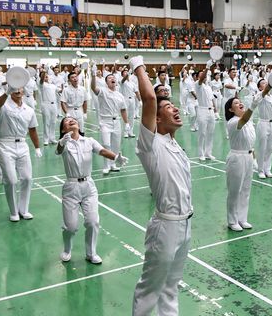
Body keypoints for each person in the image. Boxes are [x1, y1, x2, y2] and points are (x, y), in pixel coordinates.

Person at [129, 56, 193, 316]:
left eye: (175, 106)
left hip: (185, 223)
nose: (175, 109)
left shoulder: (175, 145)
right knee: (150, 290)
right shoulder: (150, 145)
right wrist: (138, 64)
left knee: (170, 287)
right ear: (156, 119)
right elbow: (150, 100)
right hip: (165, 226)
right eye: (169, 108)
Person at [56, 117, 127, 264]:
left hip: (88, 186)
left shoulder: (89, 141)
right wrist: (62, 142)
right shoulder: (64, 144)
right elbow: (58, 150)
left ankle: (91, 253)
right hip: (71, 187)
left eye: (73, 119)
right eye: (67, 121)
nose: (71, 121)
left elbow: (102, 151)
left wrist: (116, 158)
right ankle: (67, 249)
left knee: (93, 222)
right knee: (71, 227)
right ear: (63, 129)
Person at [224, 82, 270, 231]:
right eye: (236, 103)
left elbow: (250, 143)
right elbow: (243, 119)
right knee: (234, 191)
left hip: (248, 157)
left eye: (240, 102)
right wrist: (254, 105)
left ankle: (242, 218)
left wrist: (268, 87)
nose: (240, 103)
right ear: (231, 109)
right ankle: (232, 221)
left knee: (246, 190)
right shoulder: (233, 122)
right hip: (236, 158)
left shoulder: (248, 122)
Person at [0, 84, 42, 221]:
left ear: (23, 90)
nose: (17, 91)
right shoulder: (4, 105)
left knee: (27, 178)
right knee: (11, 180)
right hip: (5, 144)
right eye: (13, 89)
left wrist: (37, 147)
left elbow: (32, 130)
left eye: (20, 88)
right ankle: (14, 212)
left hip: (22, 145)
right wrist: (5, 94)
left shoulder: (29, 110)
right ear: (9, 91)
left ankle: (24, 209)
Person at [90, 62, 130, 175]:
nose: (112, 79)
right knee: (106, 144)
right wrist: (93, 75)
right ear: (106, 82)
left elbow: (123, 110)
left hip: (116, 121)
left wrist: (126, 123)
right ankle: (106, 165)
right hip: (105, 122)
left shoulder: (120, 95)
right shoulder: (102, 91)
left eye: (113, 77)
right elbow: (93, 88)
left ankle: (113, 164)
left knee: (116, 145)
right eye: (109, 78)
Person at [254, 79, 272, 179]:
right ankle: (260, 170)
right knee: (262, 148)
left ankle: (268, 169)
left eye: (266, 82)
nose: (266, 83)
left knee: (270, 148)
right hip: (263, 123)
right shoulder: (260, 95)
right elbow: (266, 90)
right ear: (259, 87)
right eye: (263, 83)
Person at [195, 67, 216, 161]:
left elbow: (211, 99)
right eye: (201, 75)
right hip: (202, 110)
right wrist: (206, 68)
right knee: (202, 133)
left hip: (211, 110)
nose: (204, 77)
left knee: (210, 133)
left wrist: (215, 110)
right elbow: (201, 78)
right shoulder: (198, 85)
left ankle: (208, 153)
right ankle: (201, 153)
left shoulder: (208, 87)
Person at [39, 70, 62, 146]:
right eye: (44, 76)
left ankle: (52, 138)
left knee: (53, 122)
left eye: (46, 76)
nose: (46, 77)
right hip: (46, 105)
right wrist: (44, 72)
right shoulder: (42, 85)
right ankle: (46, 139)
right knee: (46, 122)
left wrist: (63, 86)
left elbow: (60, 90)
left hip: (54, 105)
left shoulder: (53, 85)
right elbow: (41, 80)